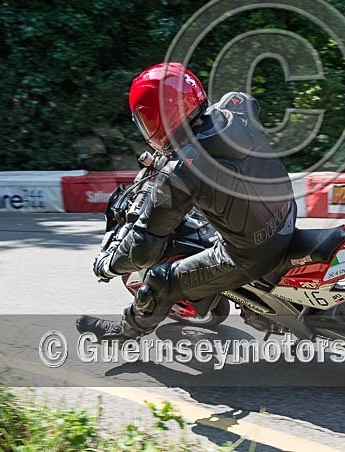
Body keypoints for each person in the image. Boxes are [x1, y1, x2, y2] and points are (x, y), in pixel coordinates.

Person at [77, 62, 296, 340]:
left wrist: (109, 265)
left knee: (159, 281)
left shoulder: (181, 171)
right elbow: (249, 106)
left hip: (251, 254)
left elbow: (144, 245)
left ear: (158, 117)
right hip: (285, 214)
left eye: (145, 120)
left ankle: (123, 331)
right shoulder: (235, 106)